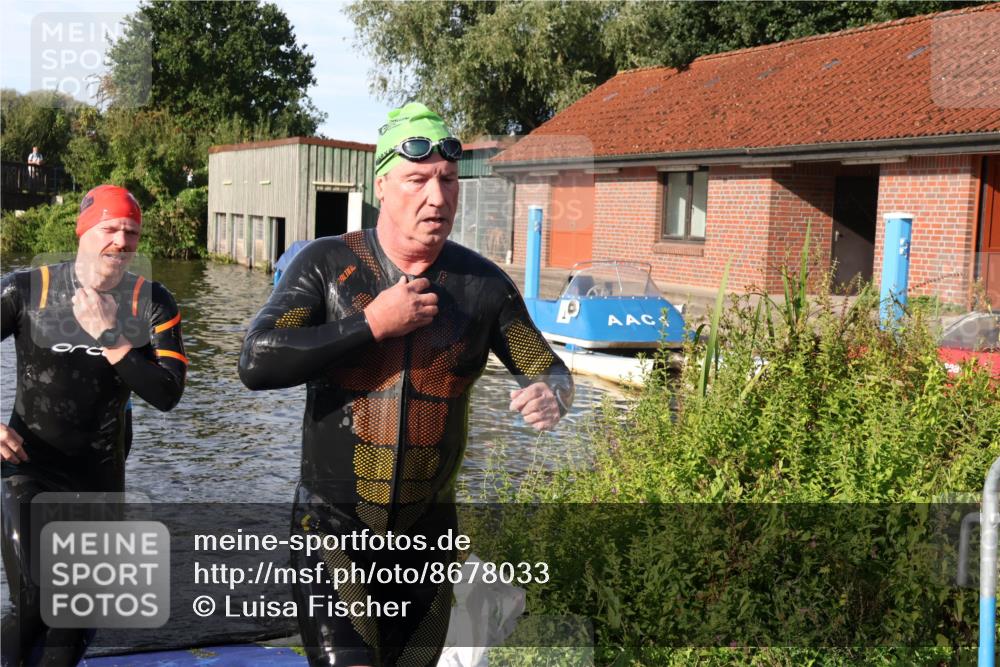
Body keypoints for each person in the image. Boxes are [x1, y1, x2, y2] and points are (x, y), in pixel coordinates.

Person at [239, 103, 574, 667]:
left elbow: (547, 367)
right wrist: (371, 323)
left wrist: (554, 394)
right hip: (333, 531)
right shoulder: (326, 265)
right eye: (418, 180)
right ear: (382, 186)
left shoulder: (481, 287)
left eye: (447, 181)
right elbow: (256, 360)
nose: (437, 198)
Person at [0, 184, 188, 666]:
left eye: (131, 233)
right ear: (84, 231)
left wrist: (112, 338)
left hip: (99, 477)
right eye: (110, 229)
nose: (122, 242)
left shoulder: (152, 301)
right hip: (29, 467)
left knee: (75, 617)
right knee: (40, 597)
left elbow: (167, 393)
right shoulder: (28, 289)